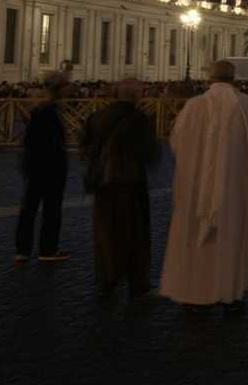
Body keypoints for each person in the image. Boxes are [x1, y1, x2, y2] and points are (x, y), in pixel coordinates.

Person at [160, 60, 248, 313]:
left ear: (209, 79)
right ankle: (230, 291)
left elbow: (176, 142)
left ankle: (193, 294)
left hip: (194, 187)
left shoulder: (193, 106)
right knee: (231, 235)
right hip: (235, 187)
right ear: (234, 78)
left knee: (194, 238)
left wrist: (198, 165)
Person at [81, 78, 160, 298]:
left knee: (105, 231)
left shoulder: (96, 117)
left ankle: (107, 279)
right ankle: (138, 284)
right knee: (135, 233)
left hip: (104, 184)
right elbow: (150, 153)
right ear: (136, 96)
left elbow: (84, 146)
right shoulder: (140, 119)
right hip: (131, 183)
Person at [15, 71, 71, 264]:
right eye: (66, 85)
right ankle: (48, 249)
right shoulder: (49, 111)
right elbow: (51, 142)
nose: (69, 89)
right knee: (51, 209)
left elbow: (30, 140)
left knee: (29, 207)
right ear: (59, 88)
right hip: (50, 167)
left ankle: (22, 249)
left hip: (35, 165)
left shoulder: (39, 109)